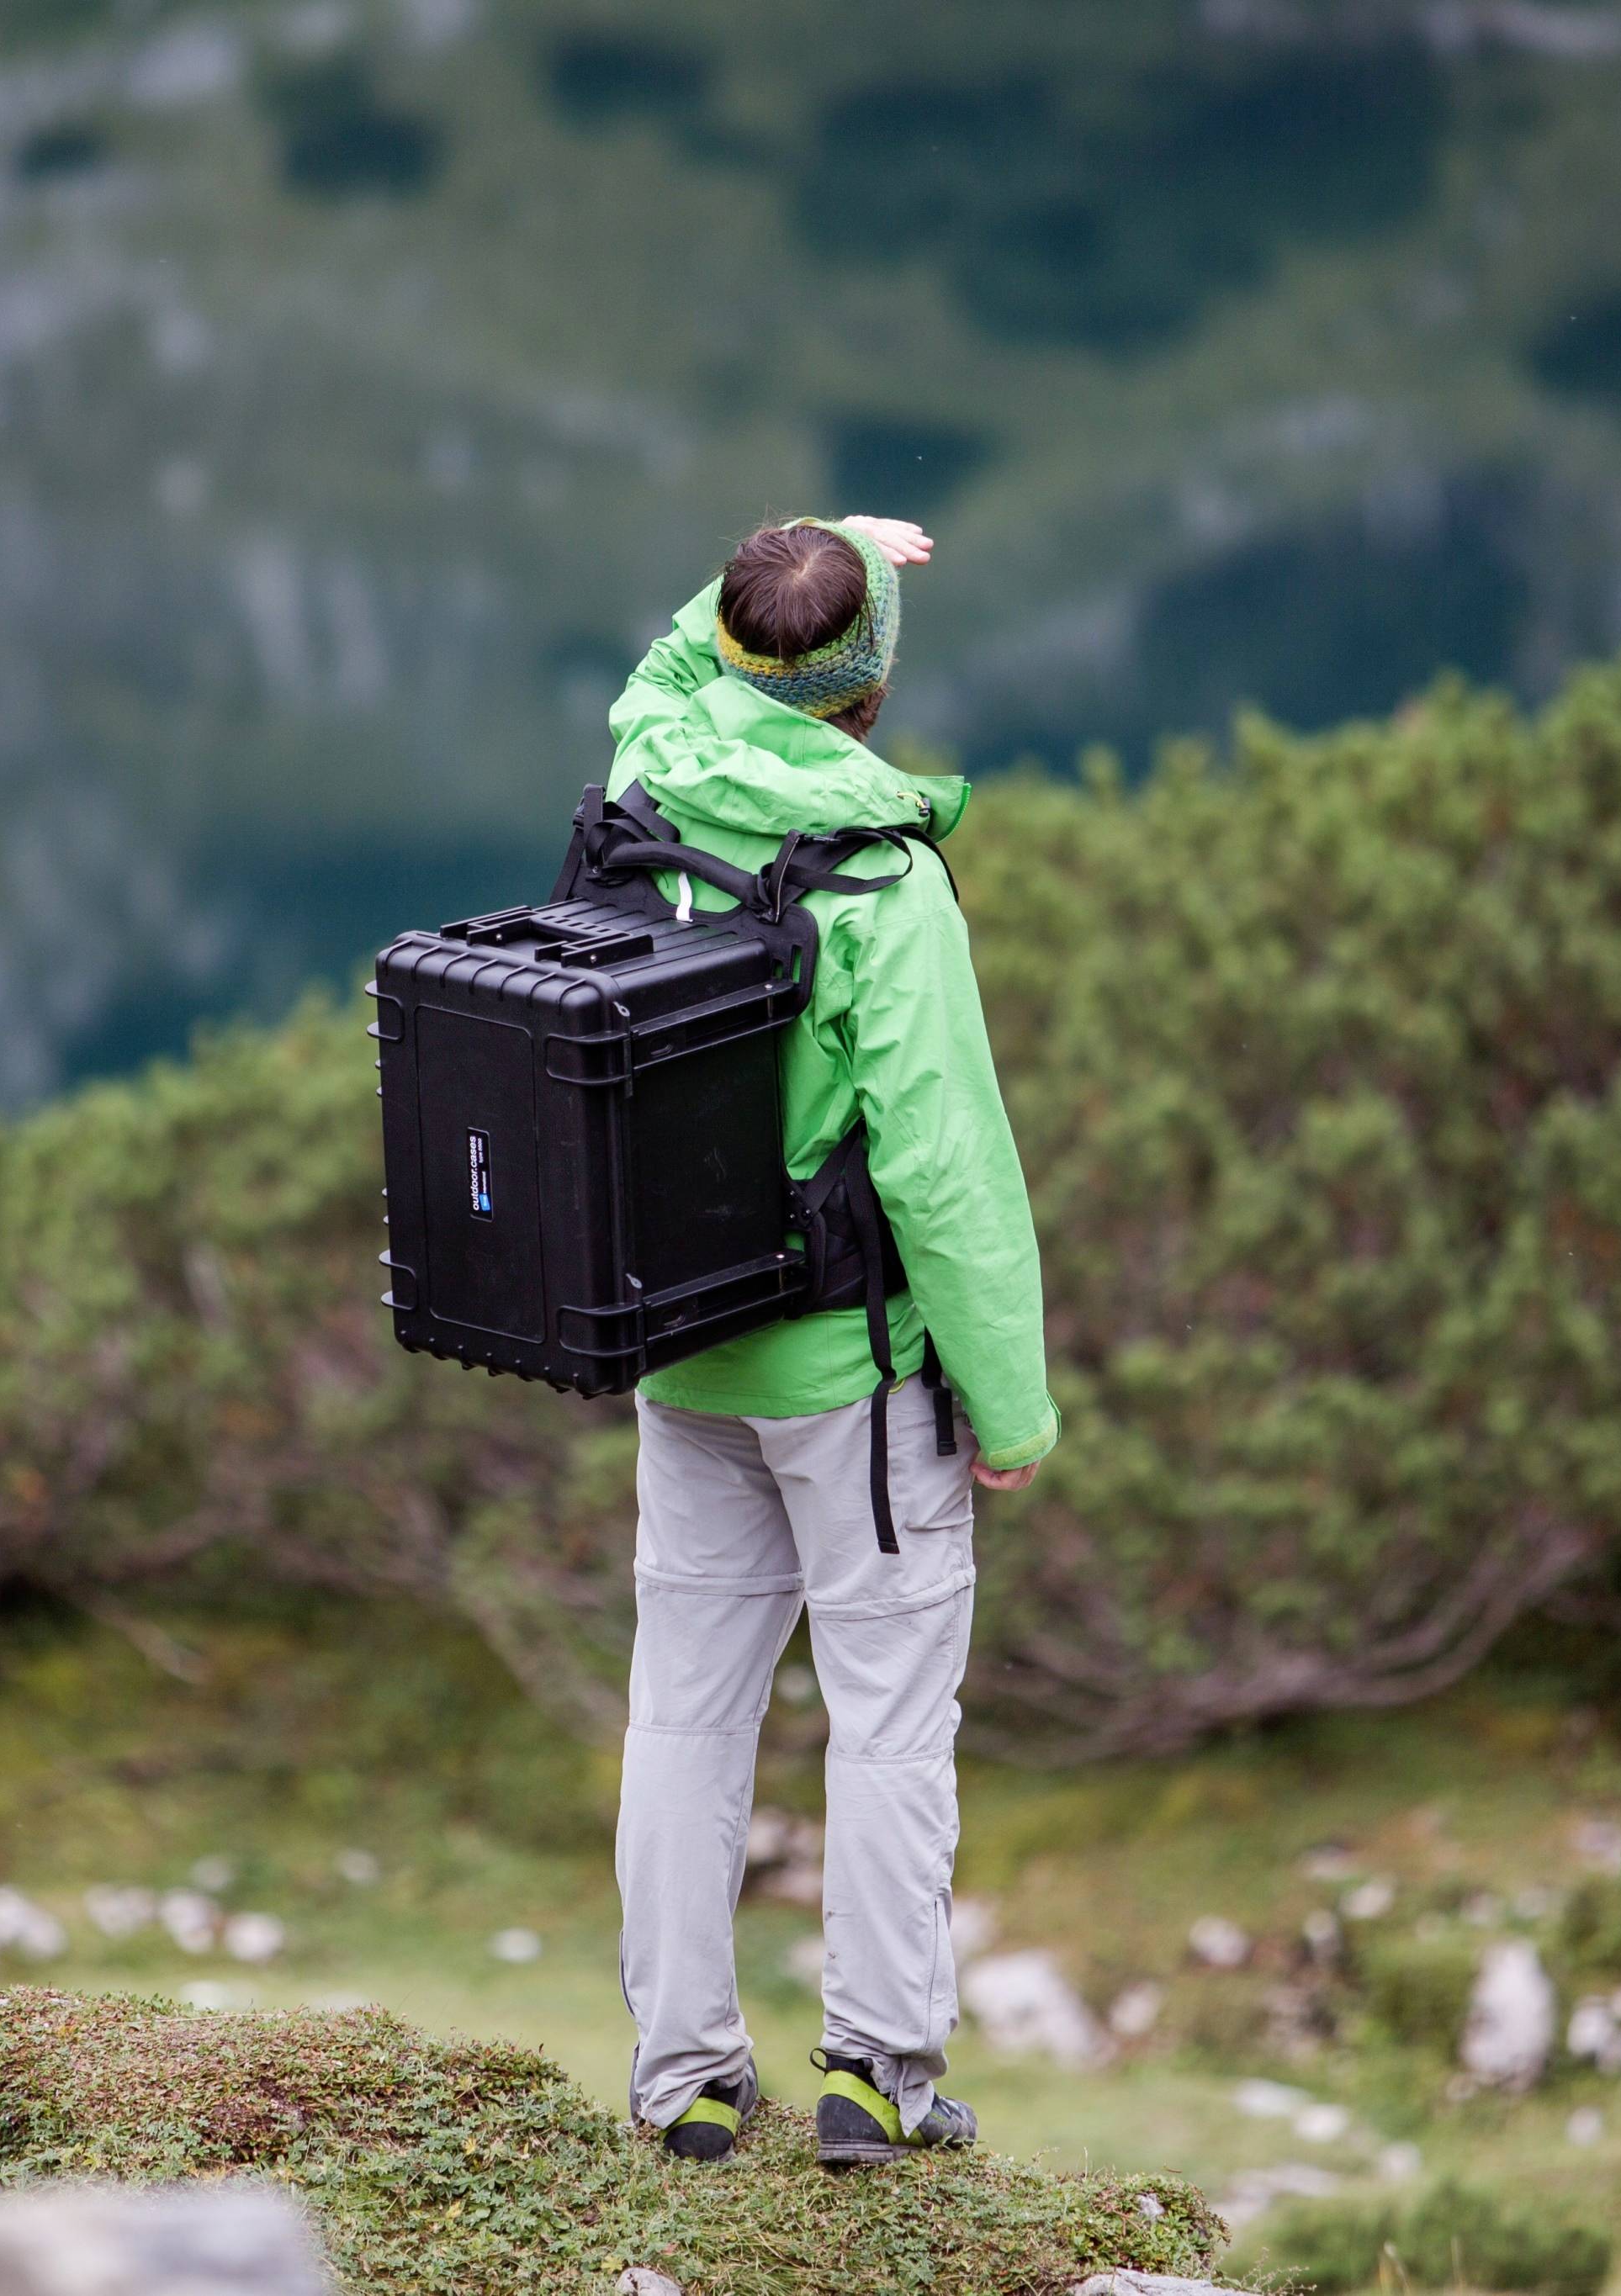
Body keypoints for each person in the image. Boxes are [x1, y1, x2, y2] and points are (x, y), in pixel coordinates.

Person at [605, 514, 1058, 2171]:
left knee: (684, 1709)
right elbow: (944, 1168)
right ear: (871, 690)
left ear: (730, 660)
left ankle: (680, 2077)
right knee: (882, 1710)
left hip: (679, 1340)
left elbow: (676, 668)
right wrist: (1006, 1404)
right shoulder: (882, 881)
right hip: (847, 1376)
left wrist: (808, 556)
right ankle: (875, 2072)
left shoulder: (651, 771)